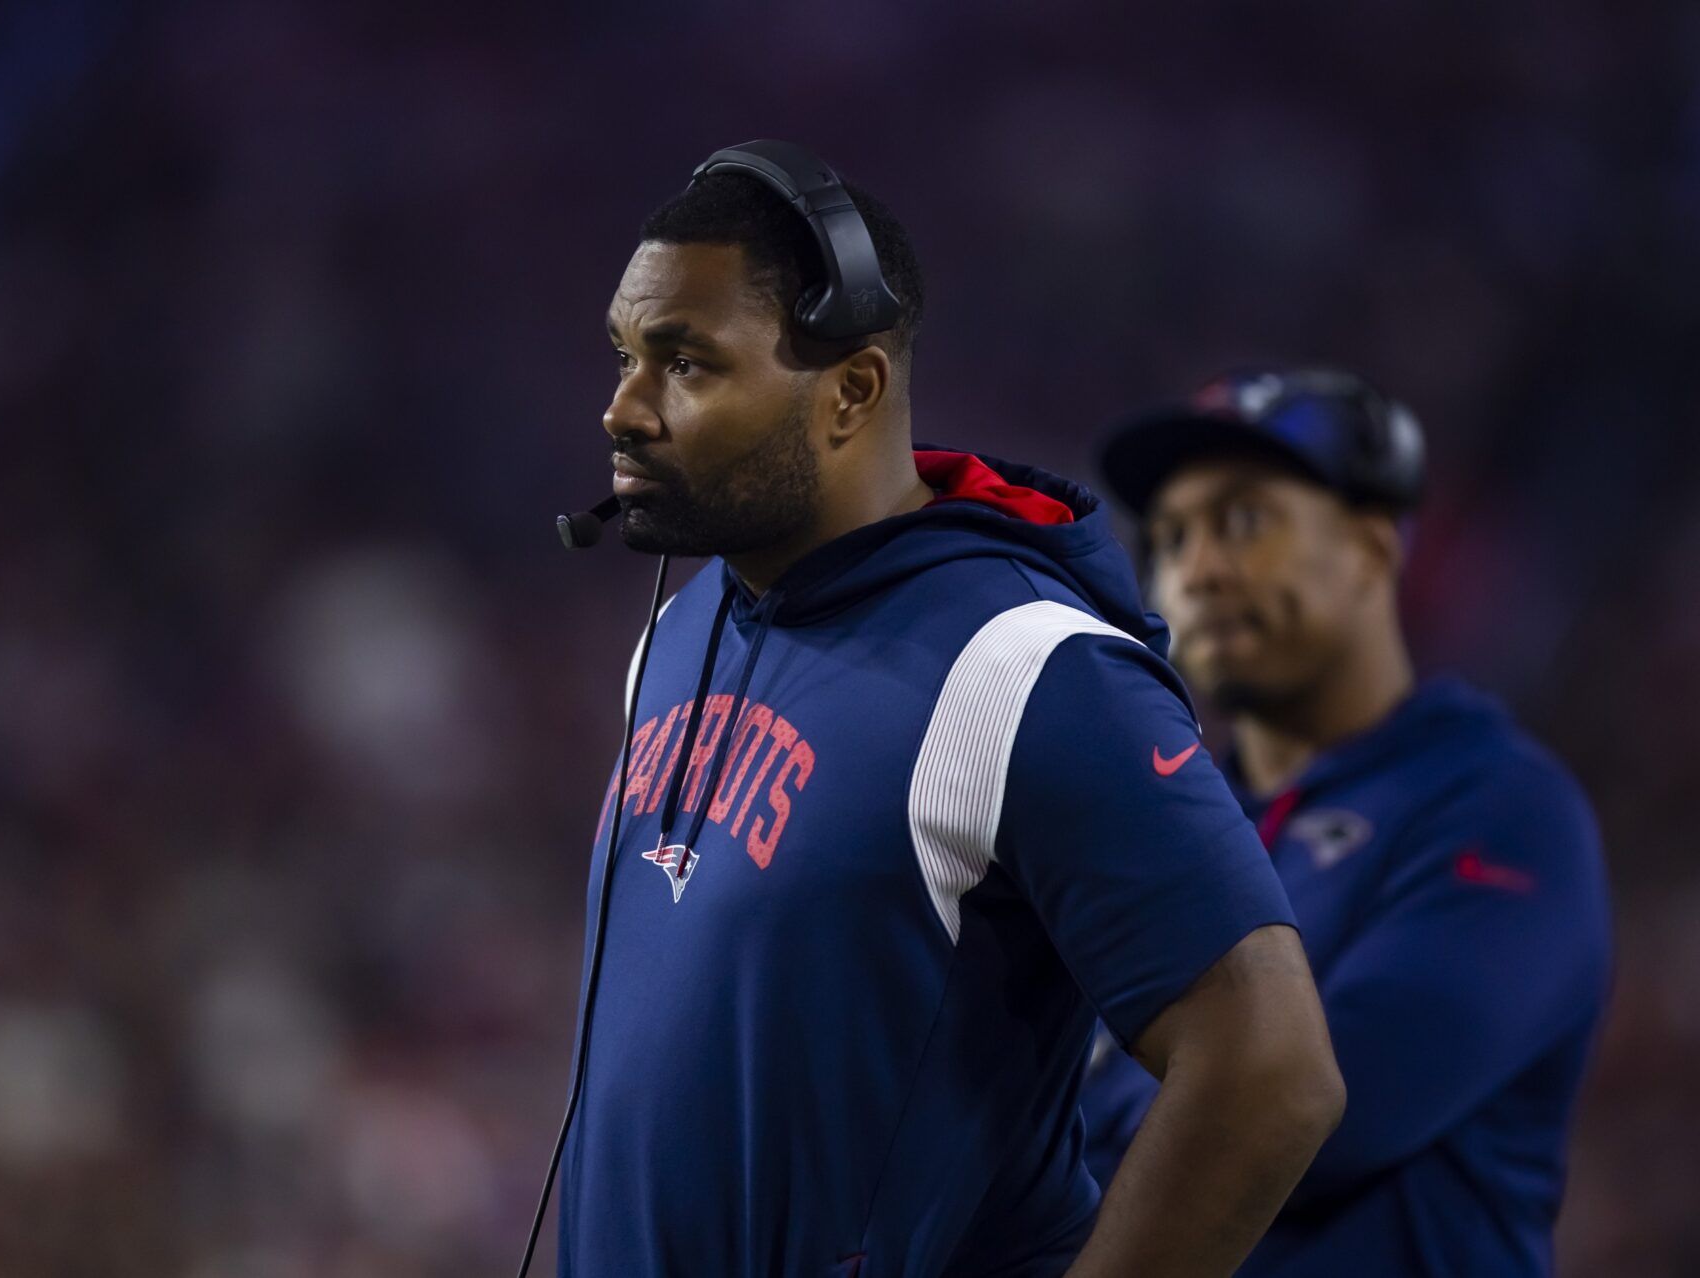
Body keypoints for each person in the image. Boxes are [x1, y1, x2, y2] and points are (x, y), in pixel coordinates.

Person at [542, 142, 1345, 1278]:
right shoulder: (678, 636)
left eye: (685, 363)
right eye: (626, 355)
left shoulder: (1027, 663)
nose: (623, 409)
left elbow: (1271, 1069)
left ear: (852, 391)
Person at [1086, 368, 1614, 1277]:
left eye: (1243, 521)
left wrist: (1070, 1127)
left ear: (1371, 550)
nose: (1197, 569)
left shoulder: (1503, 807)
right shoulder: (1164, 824)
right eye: (1170, 539)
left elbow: (1313, 1111)